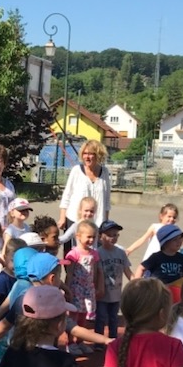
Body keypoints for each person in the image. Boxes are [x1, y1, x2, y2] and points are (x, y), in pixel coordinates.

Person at [65, 221, 103, 350]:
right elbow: (69, 273)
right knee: (74, 315)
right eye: (88, 237)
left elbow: (96, 271)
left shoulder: (94, 254)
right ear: (78, 236)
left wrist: (97, 286)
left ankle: (80, 341)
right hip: (76, 289)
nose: (91, 240)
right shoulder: (73, 254)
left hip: (88, 289)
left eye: (93, 237)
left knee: (84, 316)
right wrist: (67, 289)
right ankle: (70, 343)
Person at [58, 139, 110, 230]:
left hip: (96, 223)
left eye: (90, 154)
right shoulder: (76, 170)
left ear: (98, 155)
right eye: (85, 153)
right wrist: (62, 218)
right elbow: (67, 195)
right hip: (75, 221)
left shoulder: (104, 172)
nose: (87, 157)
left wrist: (105, 222)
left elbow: (106, 201)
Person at [96, 219, 132, 339]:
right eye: (109, 235)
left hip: (116, 294)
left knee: (114, 318)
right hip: (102, 293)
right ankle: (99, 340)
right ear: (101, 236)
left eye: (115, 235)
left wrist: (136, 282)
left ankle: (113, 339)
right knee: (101, 317)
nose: (113, 238)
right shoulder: (98, 253)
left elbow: (127, 271)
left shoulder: (121, 253)